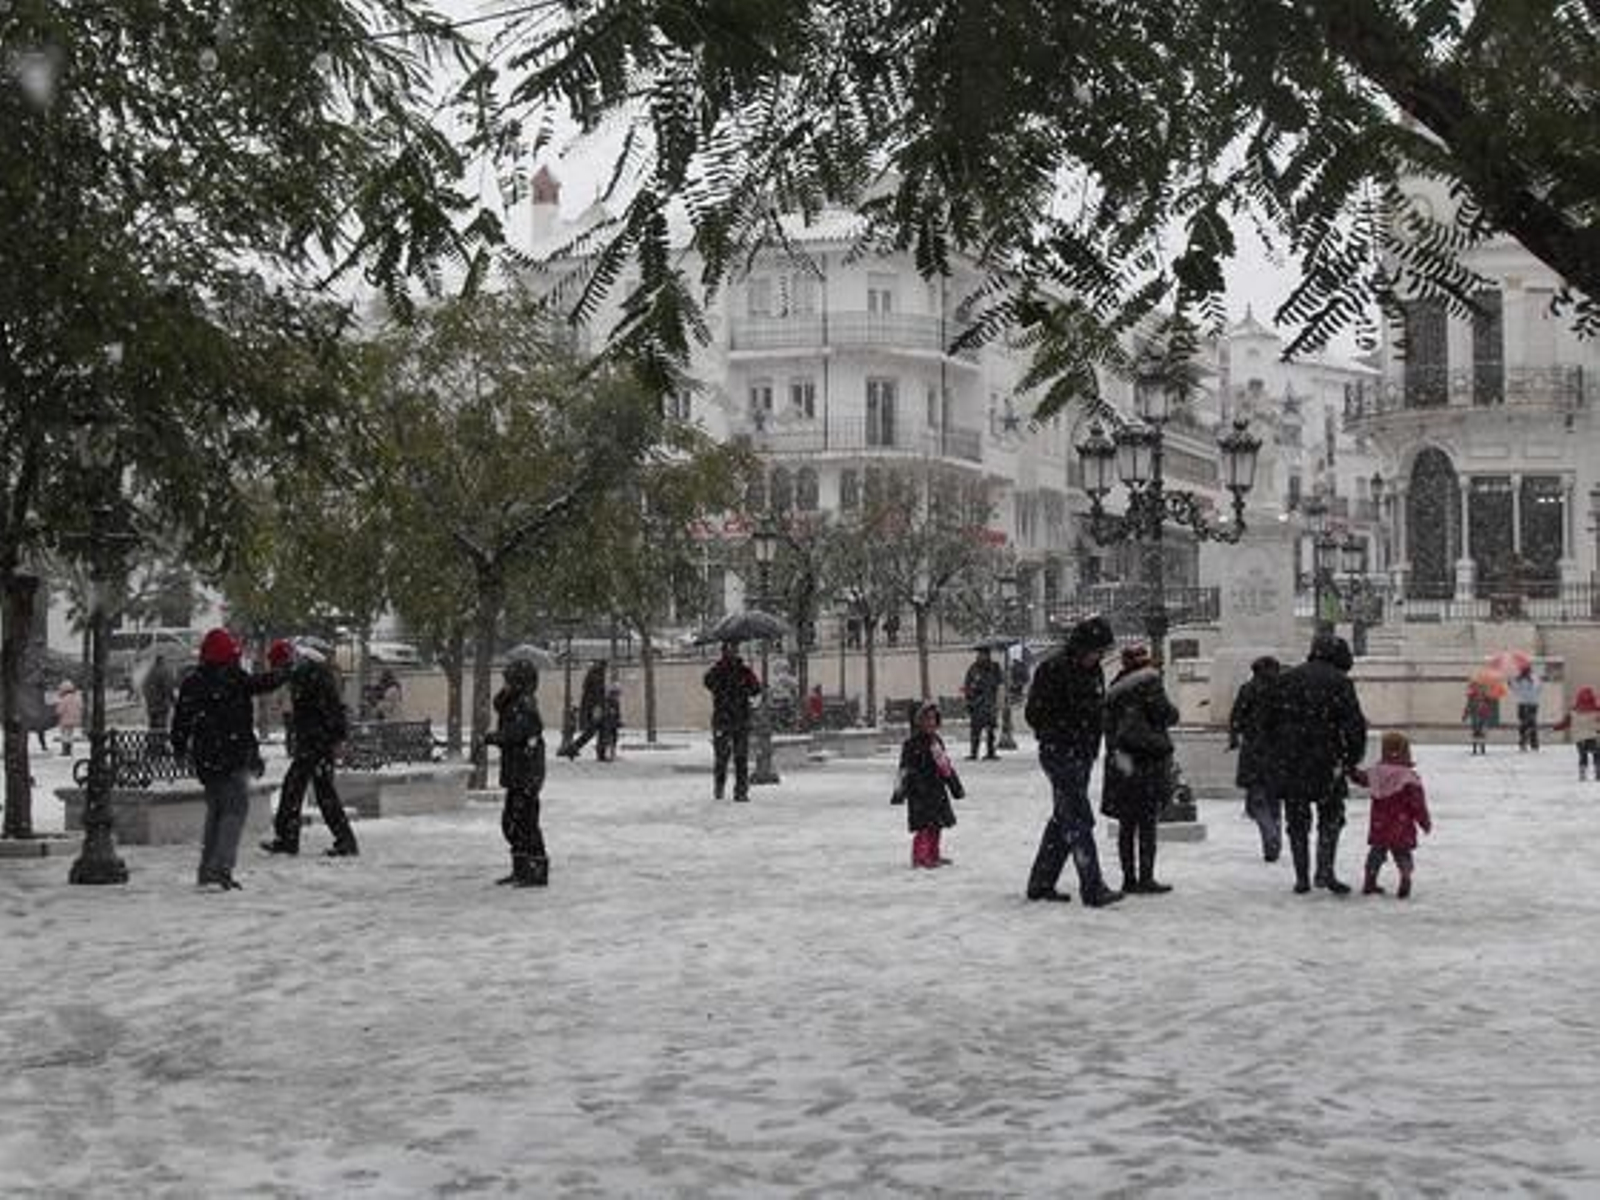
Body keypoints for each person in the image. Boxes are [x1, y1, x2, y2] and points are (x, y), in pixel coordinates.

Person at [169, 628, 286, 890]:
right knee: (234, 810)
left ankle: (208, 868)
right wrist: (283, 670)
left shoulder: (194, 681)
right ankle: (221, 867)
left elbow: (181, 720)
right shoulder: (234, 679)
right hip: (232, 755)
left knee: (217, 811)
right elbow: (260, 688)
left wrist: (178, 748)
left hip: (207, 757)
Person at [1022, 615, 1123, 907]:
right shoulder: (1052, 669)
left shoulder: (1093, 672)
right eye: (1097, 651)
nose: (1099, 657)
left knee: (1064, 818)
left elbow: (1095, 710)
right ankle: (1093, 887)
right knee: (1078, 818)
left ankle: (1041, 882)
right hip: (1060, 752)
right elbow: (1034, 714)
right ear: (1082, 647)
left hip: (1082, 752)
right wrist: (1066, 724)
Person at [1260, 632, 1368, 895]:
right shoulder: (1340, 682)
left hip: (1292, 761)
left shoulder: (1287, 680)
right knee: (1331, 817)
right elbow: (1354, 725)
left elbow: (1267, 723)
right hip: (1326, 759)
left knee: (1297, 820)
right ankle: (1325, 871)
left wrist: (1275, 754)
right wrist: (1351, 759)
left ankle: (1301, 877)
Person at [261, 638, 359, 859]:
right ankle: (344, 840)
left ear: (284, 660)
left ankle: (288, 840)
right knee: (319, 791)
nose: (279, 670)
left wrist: (336, 738)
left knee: (295, 788)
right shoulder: (310, 669)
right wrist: (337, 736)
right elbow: (331, 705)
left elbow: (329, 706)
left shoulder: (304, 671)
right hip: (318, 739)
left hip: (316, 740)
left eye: (279, 665)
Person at [1101, 643, 1179, 894]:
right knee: (1147, 823)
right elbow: (1166, 715)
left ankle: (1128, 878)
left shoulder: (1113, 689)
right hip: (1148, 760)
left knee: (1127, 824)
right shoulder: (1150, 684)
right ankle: (1146, 877)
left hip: (1123, 761)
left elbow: (1108, 726)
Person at [483, 651, 549, 886]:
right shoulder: (512, 703)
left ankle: (537, 870)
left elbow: (518, 733)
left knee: (526, 821)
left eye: (509, 681)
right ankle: (521, 867)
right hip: (517, 772)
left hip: (527, 773)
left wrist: (495, 737)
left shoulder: (525, 704)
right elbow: (501, 708)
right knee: (511, 822)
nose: (506, 685)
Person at [1348, 731, 1432, 899]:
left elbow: (1361, 779)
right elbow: (1417, 804)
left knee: (1376, 853)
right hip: (1402, 824)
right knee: (1403, 853)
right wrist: (1424, 822)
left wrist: (1350, 769)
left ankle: (1370, 882)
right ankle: (1405, 875)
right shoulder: (1409, 777)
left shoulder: (1376, 772)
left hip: (1380, 823)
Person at [895, 701, 963, 868]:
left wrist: (955, 786)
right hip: (919, 792)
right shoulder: (911, 745)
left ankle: (933, 854)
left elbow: (945, 766)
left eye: (933, 719)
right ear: (918, 722)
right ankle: (920, 857)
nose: (931, 723)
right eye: (926, 719)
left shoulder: (936, 742)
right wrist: (900, 791)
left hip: (936, 790)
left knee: (936, 825)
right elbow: (904, 769)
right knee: (923, 827)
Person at [1229, 656, 1283, 861]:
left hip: (1254, 749)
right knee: (1275, 800)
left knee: (1257, 801)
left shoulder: (1248, 689)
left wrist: (1235, 737)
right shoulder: (1282, 689)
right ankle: (1275, 836)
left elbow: (1236, 717)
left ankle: (1268, 833)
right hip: (1278, 752)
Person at [703, 641, 762, 802]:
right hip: (725, 719)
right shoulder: (719, 671)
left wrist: (747, 684)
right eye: (729, 650)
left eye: (734, 650)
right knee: (725, 756)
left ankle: (739, 790)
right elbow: (707, 682)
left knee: (739, 757)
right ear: (724, 652)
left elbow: (756, 689)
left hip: (737, 719)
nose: (732, 653)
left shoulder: (743, 671)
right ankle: (722, 787)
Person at [560, 660, 608, 759]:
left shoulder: (592, 675)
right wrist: (599, 706)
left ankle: (574, 748)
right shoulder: (597, 676)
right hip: (595, 708)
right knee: (600, 729)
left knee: (592, 731)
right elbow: (597, 693)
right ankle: (599, 753)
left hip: (592, 707)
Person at [963, 647, 1004, 761]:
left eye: (984, 654)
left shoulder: (995, 667)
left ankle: (990, 752)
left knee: (991, 730)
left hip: (990, 703)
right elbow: (967, 685)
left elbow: (1000, 683)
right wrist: (969, 700)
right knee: (975, 730)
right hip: (977, 704)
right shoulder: (973, 668)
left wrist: (998, 700)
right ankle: (973, 752)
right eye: (980, 654)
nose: (982, 656)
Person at [1553, 686, 1600, 781]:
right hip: (1593, 737)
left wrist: (1556, 727)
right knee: (1597, 754)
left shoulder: (1573, 712)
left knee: (1583, 755)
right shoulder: (1597, 711)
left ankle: (1582, 773)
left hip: (1579, 739)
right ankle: (1598, 771)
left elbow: (1565, 723)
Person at [1509, 662, 1542, 751]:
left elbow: (1537, 688)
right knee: (1523, 723)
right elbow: (1514, 689)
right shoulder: (1518, 678)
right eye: (1523, 671)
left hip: (1532, 703)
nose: (1524, 673)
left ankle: (1534, 743)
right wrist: (1512, 682)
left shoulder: (1534, 677)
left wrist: (1529, 680)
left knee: (1532, 722)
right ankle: (1523, 741)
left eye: (1526, 671)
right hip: (1522, 703)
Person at [1462, 679, 1496, 756]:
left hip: (1482, 715)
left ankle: (1481, 748)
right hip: (1477, 715)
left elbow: (1490, 705)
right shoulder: (1472, 696)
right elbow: (1468, 706)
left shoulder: (1485, 696)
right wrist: (1465, 714)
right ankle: (1476, 748)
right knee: (1476, 732)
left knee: (1481, 732)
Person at [142, 654, 175, 732]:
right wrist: (173, 701)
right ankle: (160, 742)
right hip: (161, 704)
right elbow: (168, 688)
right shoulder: (164, 671)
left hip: (151, 705)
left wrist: (149, 700)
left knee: (152, 725)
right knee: (161, 726)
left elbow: (144, 687)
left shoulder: (150, 672)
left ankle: (152, 742)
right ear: (162, 661)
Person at [54, 680, 83, 756]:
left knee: (64, 735)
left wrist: (57, 712)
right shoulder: (77, 697)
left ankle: (65, 750)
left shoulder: (64, 699)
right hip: (74, 719)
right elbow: (80, 707)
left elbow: (60, 710)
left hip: (65, 719)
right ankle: (69, 749)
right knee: (70, 734)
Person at [597, 682, 623, 762]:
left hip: (612, 724)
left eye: (617, 694)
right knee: (605, 739)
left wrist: (618, 720)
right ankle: (603, 755)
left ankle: (610, 754)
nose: (617, 696)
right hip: (607, 724)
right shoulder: (608, 701)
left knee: (613, 738)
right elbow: (608, 713)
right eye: (616, 693)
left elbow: (616, 713)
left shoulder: (614, 702)